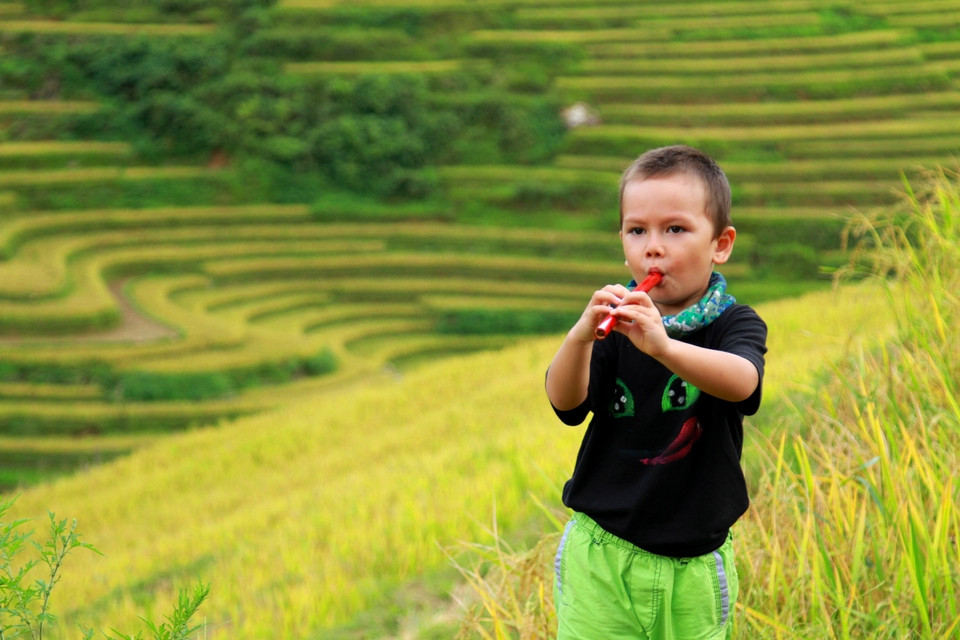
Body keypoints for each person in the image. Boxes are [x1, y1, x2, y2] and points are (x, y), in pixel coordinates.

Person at [545, 145, 767, 640]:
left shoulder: (735, 323)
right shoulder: (616, 325)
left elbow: (743, 382)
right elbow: (566, 402)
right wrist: (579, 337)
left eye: (676, 229)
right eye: (636, 230)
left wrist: (665, 347)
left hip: (694, 568)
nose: (653, 246)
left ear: (721, 243)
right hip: (601, 555)